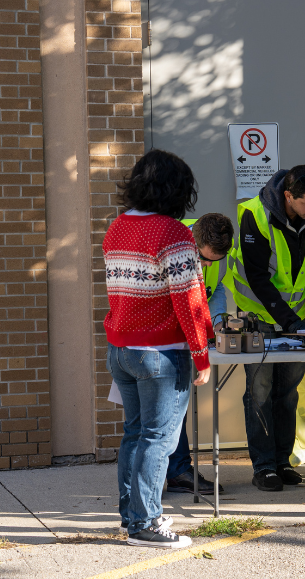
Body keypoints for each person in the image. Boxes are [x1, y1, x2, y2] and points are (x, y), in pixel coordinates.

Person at [103, 149, 213, 549]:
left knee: (135, 435)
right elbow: (190, 301)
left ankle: (132, 517)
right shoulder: (173, 233)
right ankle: (146, 522)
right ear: (178, 189)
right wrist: (202, 355)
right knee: (158, 440)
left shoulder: (117, 228)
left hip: (122, 349)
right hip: (162, 353)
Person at [230, 165, 305, 492]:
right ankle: (263, 467)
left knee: (288, 392)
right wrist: (289, 320)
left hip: (295, 318)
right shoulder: (255, 214)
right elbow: (257, 278)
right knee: (260, 394)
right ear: (288, 196)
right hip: (259, 317)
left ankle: (282, 461)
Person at [164, 213, 235, 496]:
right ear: (193, 240)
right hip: (166, 338)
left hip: (188, 336)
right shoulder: (174, 240)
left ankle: (175, 470)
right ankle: (176, 471)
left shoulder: (216, 254)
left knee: (176, 407)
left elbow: (214, 287)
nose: (208, 265)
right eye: (204, 259)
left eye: (214, 261)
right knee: (167, 409)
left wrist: (217, 321)